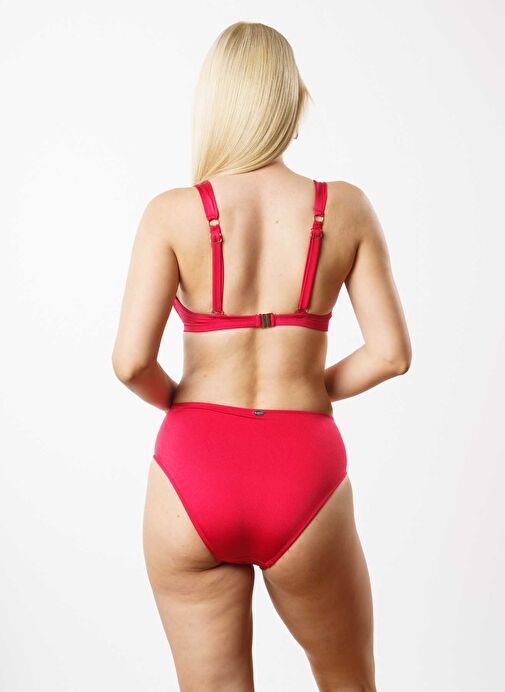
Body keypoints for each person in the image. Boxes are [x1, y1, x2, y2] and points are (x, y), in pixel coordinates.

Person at [112, 21, 411, 692]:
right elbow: (391, 354)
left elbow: (130, 362)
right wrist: (312, 385)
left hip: (193, 467)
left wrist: (184, 404)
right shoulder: (345, 208)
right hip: (301, 463)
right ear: (289, 102)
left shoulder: (171, 214)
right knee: (349, 682)